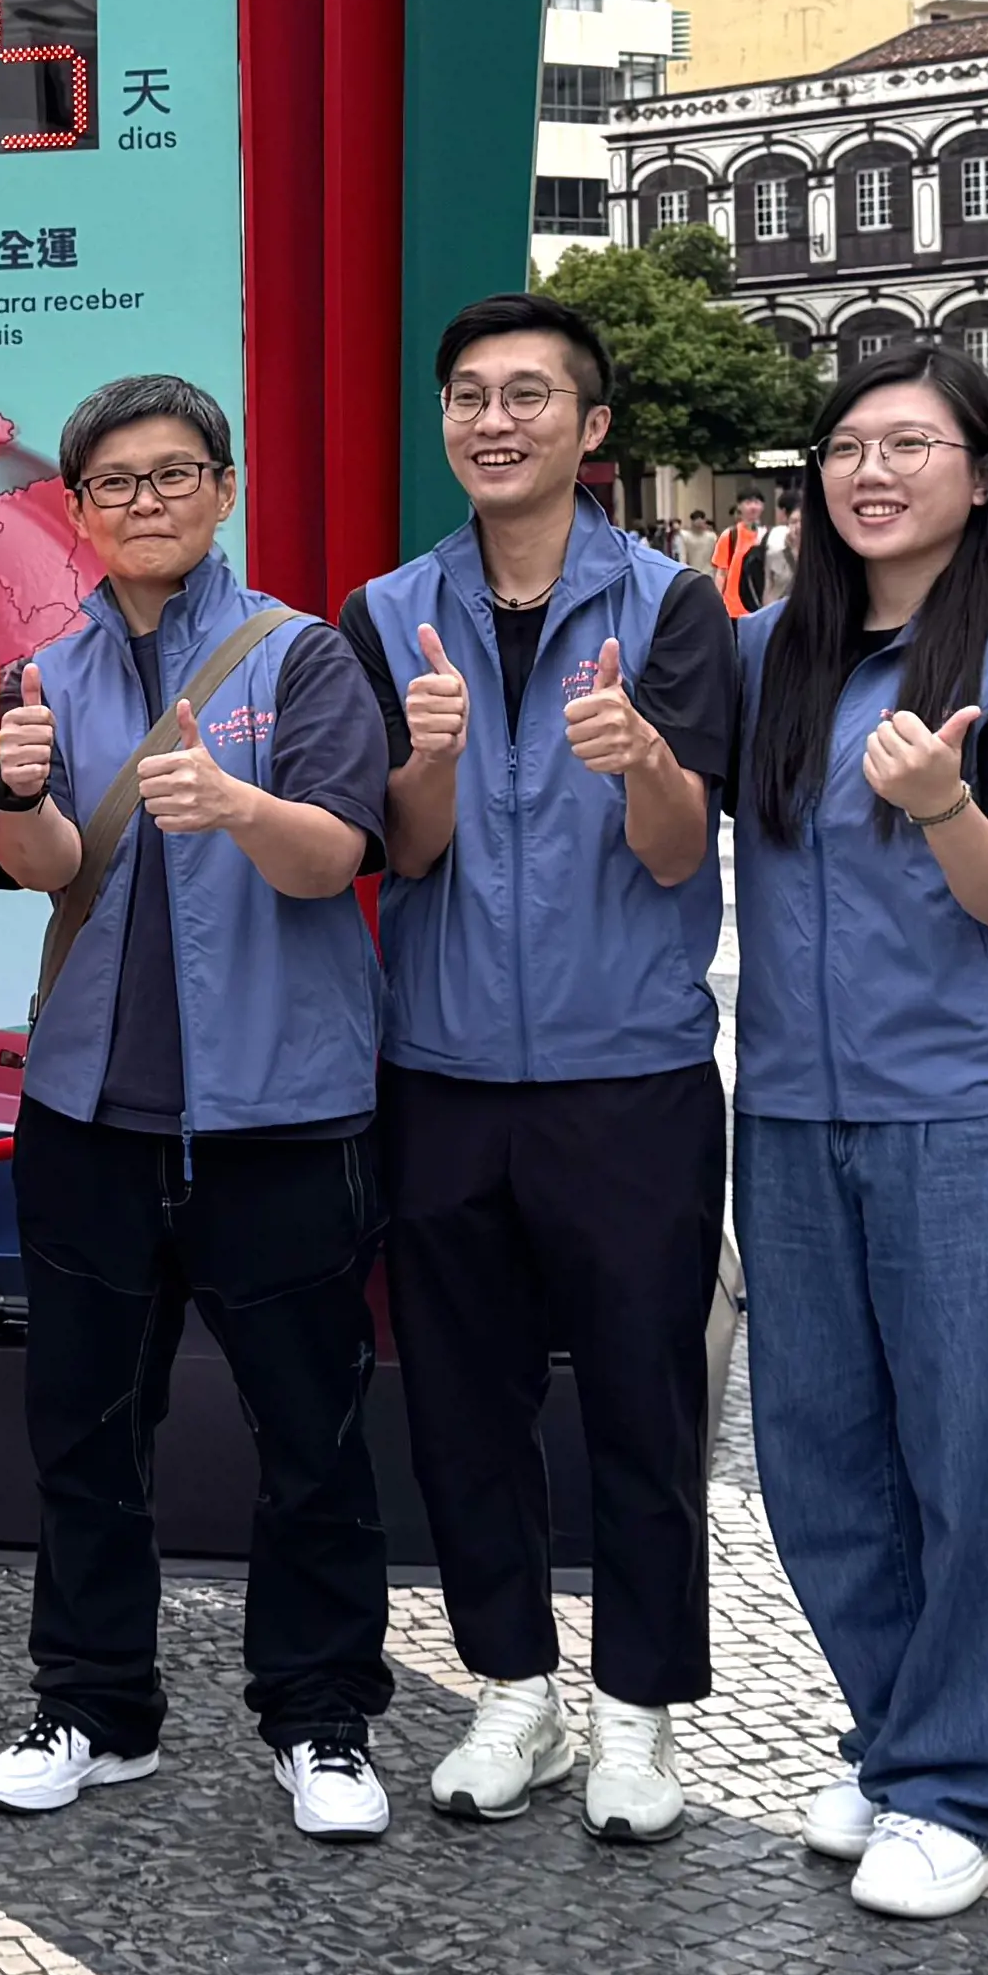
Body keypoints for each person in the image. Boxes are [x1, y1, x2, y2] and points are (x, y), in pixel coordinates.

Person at [0, 373, 398, 1839]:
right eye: (112, 483)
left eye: (171, 475)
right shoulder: (46, 670)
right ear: (73, 510)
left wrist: (238, 806)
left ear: (219, 486)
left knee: (310, 1430)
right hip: (90, 1113)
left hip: (280, 1115)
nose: (142, 502)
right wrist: (17, 792)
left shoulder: (305, 656)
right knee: (83, 1427)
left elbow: (333, 859)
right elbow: (31, 871)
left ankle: (320, 1716)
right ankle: (93, 1701)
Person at [341, 292, 739, 1841]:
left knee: (643, 1399)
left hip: (621, 1070)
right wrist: (425, 759)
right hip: (437, 1068)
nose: (491, 420)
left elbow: (672, 849)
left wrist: (641, 755)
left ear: (591, 429)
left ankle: (637, 1713)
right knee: (460, 1398)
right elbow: (404, 851)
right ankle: (514, 1688)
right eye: (466, 395)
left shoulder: (667, 606)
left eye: (526, 395)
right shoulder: (388, 610)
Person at [724, 355, 988, 1918]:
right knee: (815, 1450)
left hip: (962, 1108)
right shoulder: (766, 654)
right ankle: (892, 1739)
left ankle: (963, 1783)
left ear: (978, 473)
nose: (870, 472)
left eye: (910, 445)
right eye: (845, 447)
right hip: (793, 1105)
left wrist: (943, 803)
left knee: (970, 1449)